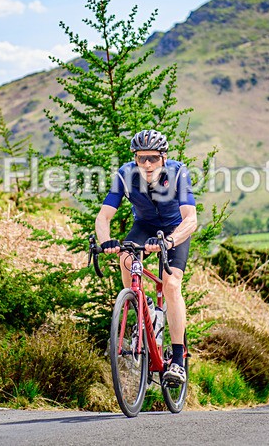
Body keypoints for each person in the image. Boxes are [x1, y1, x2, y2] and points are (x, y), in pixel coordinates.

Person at [95, 129, 198, 385]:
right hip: (144, 227)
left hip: (174, 230)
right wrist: (105, 241)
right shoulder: (125, 174)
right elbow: (103, 216)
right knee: (126, 259)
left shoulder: (177, 173)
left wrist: (171, 240)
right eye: (142, 159)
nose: (148, 164)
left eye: (153, 158)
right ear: (135, 159)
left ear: (163, 157)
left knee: (172, 284)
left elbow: (191, 219)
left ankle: (176, 360)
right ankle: (144, 306)